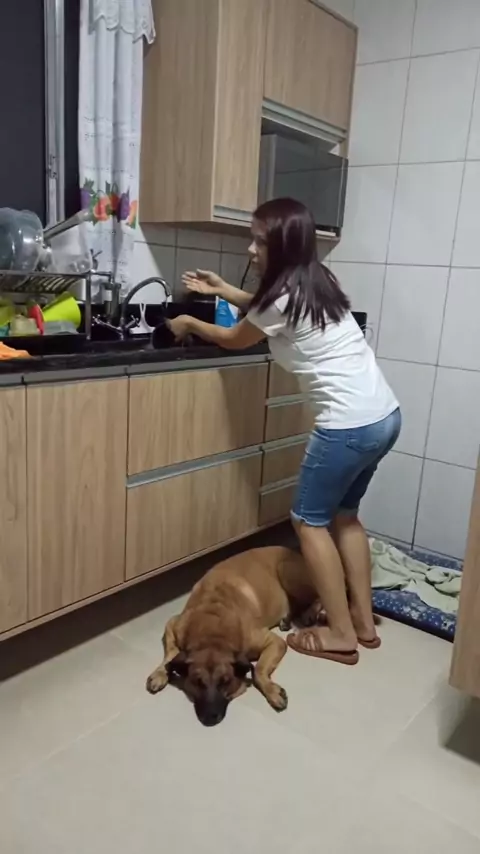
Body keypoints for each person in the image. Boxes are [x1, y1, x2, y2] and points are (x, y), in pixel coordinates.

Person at [168, 197, 401, 666]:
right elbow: (265, 312)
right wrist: (225, 289)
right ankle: (361, 621)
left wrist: (188, 321)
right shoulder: (318, 280)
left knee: (308, 522)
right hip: (384, 416)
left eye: (259, 241)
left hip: (346, 426)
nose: (251, 249)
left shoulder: (279, 298)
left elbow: (236, 337)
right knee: (346, 517)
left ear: (284, 245)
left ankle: (340, 635)